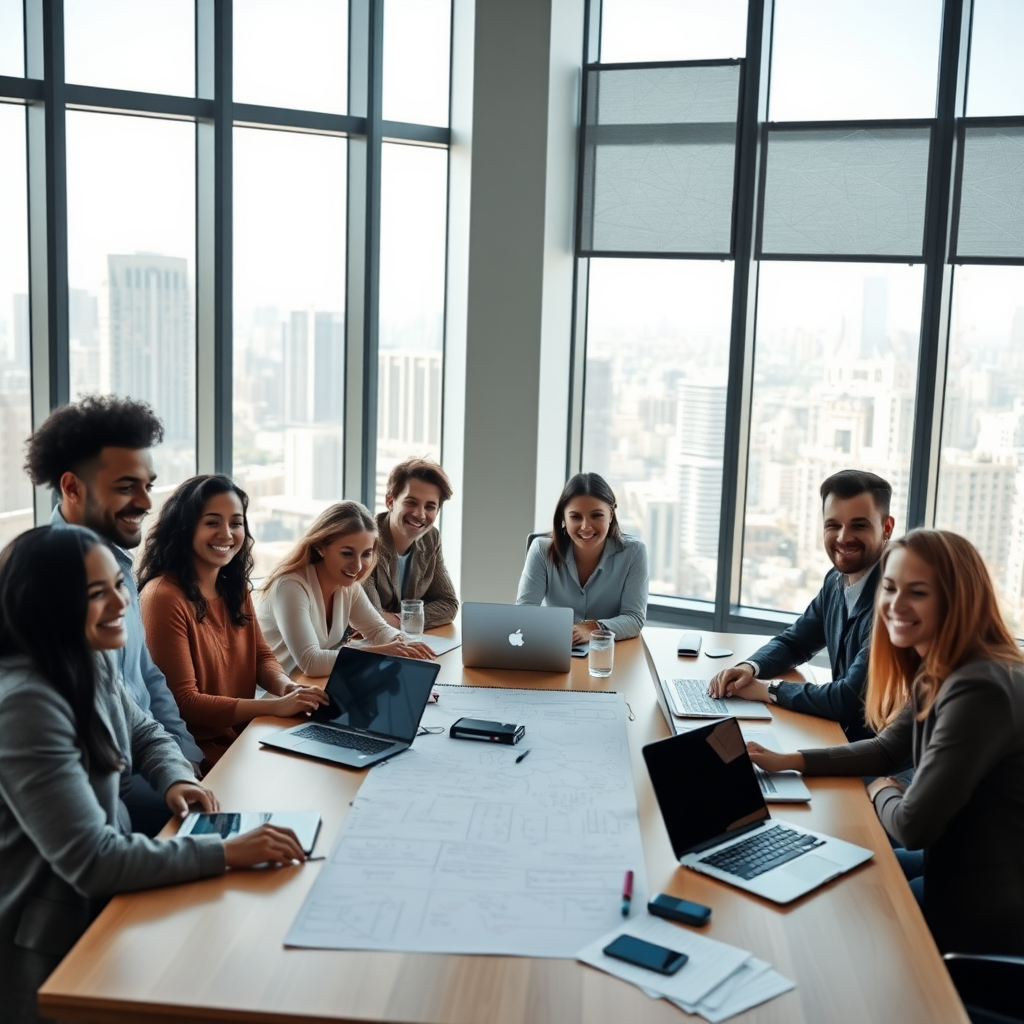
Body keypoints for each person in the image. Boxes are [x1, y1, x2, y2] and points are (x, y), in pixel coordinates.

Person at [0, 526, 309, 1024]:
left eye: (117, 586)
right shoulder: (26, 702)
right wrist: (227, 851)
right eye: (95, 593)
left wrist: (175, 778)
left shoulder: (86, 657)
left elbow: (143, 730)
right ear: (46, 604)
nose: (121, 603)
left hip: (98, 907)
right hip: (46, 943)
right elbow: (94, 859)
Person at [747, 530, 1024, 956]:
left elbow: (913, 825)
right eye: (890, 588)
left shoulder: (979, 688)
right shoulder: (946, 664)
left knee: (837, 917)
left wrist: (881, 788)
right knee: (829, 871)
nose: (895, 605)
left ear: (957, 599)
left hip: (981, 902)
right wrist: (789, 760)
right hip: (955, 863)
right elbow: (888, 749)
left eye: (918, 592)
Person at [23, 395, 204, 836]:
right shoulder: (44, 580)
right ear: (72, 488)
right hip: (100, 792)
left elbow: (147, 677)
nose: (145, 502)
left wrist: (185, 762)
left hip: (150, 763)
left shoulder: (118, 564)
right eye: (127, 487)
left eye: (148, 485)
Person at [137, 475, 327, 766]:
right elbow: (185, 703)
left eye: (236, 523)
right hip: (197, 753)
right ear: (185, 528)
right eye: (212, 522)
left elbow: (261, 657)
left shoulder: (233, 585)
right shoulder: (163, 596)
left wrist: (286, 687)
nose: (227, 534)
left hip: (244, 736)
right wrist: (276, 706)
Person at [709, 469, 894, 741]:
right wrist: (750, 667)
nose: (843, 537)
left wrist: (768, 690)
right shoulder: (836, 581)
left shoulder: (895, 601)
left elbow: (849, 699)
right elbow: (795, 642)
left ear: (886, 528)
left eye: (859, 525)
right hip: (841, 739)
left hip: (878, 758)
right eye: (833, 525)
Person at [258, 501, 434, 677]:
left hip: (314, 688)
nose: (357, 566)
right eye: (347, 553)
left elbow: (378, 629)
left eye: (366, 554)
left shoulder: (349, 588)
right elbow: (311, 662)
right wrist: (384, 652)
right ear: (320, 547)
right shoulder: (290, 587)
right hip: (278, 697)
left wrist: (400, 643)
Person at [516, 472, 648, 642]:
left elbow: (634, 619)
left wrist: (594, 629)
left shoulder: (634, 552)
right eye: (575, 517)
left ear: (611, 514)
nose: (586, 526)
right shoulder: (542, 550)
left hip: (608, 655)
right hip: (556, 646)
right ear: (563, 517)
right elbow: (524, 612)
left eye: (596, 515)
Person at [362, 458, 458, 629]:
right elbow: (369, 615)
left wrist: (400, 620)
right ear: (390, 501)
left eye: (430, 507)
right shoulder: (366, 540)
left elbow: (448, 604)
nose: (420, 515)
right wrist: (414, 619)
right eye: (411, 502)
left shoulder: (431, 538)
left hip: (404, 643)